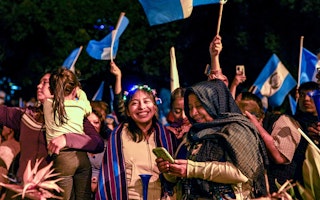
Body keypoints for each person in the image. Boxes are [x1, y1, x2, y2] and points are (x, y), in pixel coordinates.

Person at [157, 79, 269, 199]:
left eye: (200, 106)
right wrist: (169, 170)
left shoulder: (237, 129)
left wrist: (192, 169)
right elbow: (181, 176)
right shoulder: (193, 134)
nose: (193, 113)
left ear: (215, 102)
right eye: (190, 107)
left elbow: (241, 173)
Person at [0, 72, 104, 199]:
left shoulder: (76, 117)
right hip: (23, 191)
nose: (38, 86)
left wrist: (67, 139)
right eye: (39, 82)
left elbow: (98, 143)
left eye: (44, 82)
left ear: (58, 88)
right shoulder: (26, 116)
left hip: (52, 193)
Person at [96, 61, 177, 200]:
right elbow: (109, 175)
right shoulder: (118, 136)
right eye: (134, 103)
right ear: (127, 111)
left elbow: (176, 177)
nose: (141, 107)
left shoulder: (168, 136)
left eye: (146, 101)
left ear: (155, 106)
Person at [246, 81, 320, 196]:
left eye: (311, 95)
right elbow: (279, 157)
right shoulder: (290, 122)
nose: (306, 99)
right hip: (290, 189)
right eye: (302, 95)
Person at [42, 67, 93, 199]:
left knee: (63, 198)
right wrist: (79, 91)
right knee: (84, 196)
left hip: (62, 158)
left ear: (52, 89)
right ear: (75, 89)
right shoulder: (81, 105)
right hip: (81, 156)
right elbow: (88, 108)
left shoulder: (47, 104)